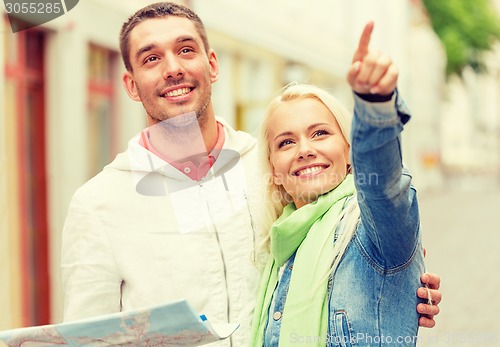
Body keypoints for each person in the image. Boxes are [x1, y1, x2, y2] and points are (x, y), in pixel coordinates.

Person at [60, 2, 441, 346]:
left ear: (212, 64)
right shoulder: (99, 204)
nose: (173, 68)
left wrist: (399, 281)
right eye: (151, 58)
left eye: (185, 50)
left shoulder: (274, 165)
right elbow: (88, 337)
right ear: (130, 84)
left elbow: (371, 215)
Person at [250, 22, 430, 346]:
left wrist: (374, 105)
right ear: (274, 169)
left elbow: (385, 186)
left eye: (320, 133)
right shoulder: (277, 248)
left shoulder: (372, 227)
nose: (305, 150)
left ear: (349, 151)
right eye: (286, 142)